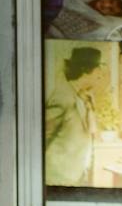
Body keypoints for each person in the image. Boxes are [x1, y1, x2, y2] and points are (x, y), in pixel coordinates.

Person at [44, 45, 103, 187]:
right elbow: (43, 135)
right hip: (59, 176)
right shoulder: (62, 97)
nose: (99, 75)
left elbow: (93, 133)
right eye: (97, 71)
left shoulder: (86, 96)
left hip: (78, 174)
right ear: (86, 70)